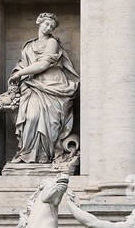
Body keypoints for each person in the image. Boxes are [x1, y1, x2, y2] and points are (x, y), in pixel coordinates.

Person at [4, 13, 79, 166]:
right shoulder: (29, 46)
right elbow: (23, 64)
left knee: (50, 123)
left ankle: (45, 158)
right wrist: (17, 74)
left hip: (52, 84)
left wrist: (20, 74)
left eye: (52, 26)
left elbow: (43, 65)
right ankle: (27, 154)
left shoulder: (52, 42)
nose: (49, 27)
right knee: (31, 117)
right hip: (32, 86)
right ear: (39, 22)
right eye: (47, 24)